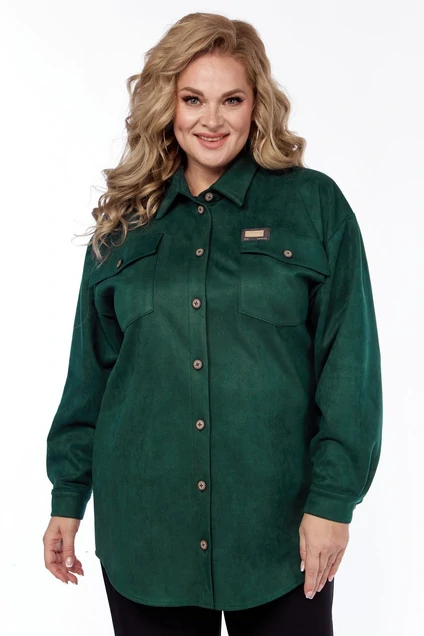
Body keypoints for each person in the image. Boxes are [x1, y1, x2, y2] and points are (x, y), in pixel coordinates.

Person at [42, 11, 383, 636]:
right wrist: (68, 496)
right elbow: (90, 376)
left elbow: (349, 364)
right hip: (147, 534)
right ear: (166, 105)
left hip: (278, 535)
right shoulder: (125, 226)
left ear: (257, 105)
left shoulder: (313, 205)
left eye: (232, 99)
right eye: (192, 99)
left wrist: (334, 502)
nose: (212, 119)